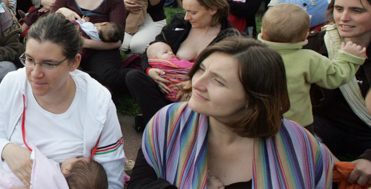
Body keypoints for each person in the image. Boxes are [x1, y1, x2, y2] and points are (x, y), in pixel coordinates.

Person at [130, 37, 335, 188]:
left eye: (218, 81)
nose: (197, 83)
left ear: (253, 99)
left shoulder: (301, 148)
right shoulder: (169, 122)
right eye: (201, 69)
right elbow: (138, 184)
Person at [0, 13, 125, 188]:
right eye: (29, 60)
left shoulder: (99, 103)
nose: (35, 73)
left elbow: (111, 181)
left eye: (48, 64)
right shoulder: (13, 83)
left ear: (74, 62)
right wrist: (8, 150)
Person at [126, 0, 239, 130]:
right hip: (165, 88)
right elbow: (151, 51)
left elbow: (226, 79)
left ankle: (157, 126)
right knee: (134, 76)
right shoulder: (180, 23)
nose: (186, 17)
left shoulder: (229, 39)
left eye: (192, 12)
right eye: (185, 11)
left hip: (197, 95)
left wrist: (193, 85)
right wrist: (150, 71)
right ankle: (164, 126)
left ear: (213, 9)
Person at [260, 3, 365, 130]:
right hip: (298, 125)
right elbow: (336, 77)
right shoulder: (309, 58)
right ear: (306, 35)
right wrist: (349, 58)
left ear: (263, 31)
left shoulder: (252, 56)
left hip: (260, 121)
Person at [305, 0, 371, 186]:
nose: (343, 18)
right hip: (325, 128)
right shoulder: (318, 44)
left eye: (356, 10)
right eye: (339, 9)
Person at [52, 0, 128, 96]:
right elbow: (51, 17)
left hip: (99, 49)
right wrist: (62, 10)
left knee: (106, 79)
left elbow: (117, 41)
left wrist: (83, 42)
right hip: (69, 45)